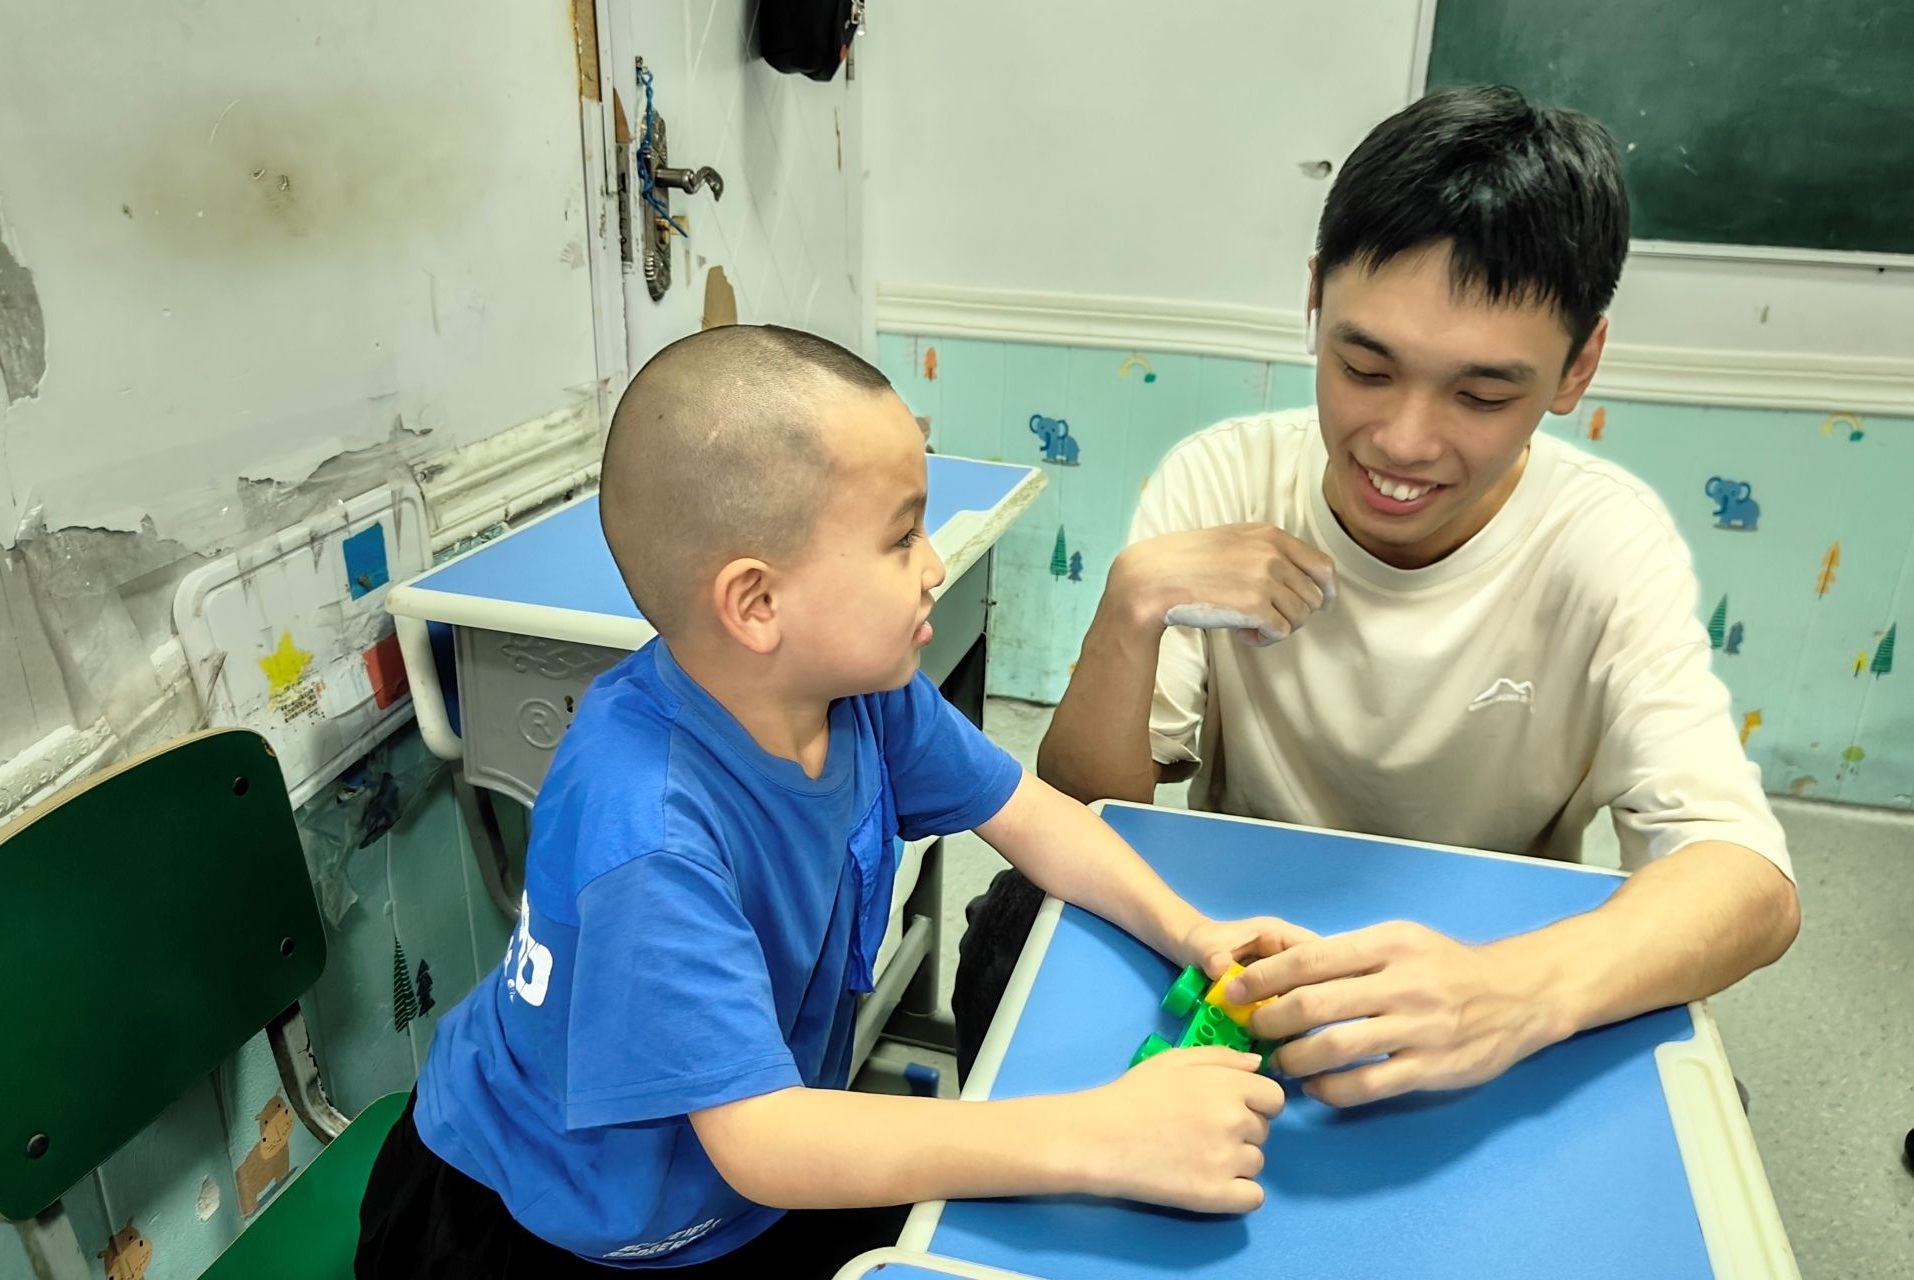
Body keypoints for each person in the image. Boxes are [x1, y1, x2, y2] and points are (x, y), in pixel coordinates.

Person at [354, 324, 1293, 1278]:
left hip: (733, 1182)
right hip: (545, 1229)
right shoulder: (651, 833)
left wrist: (1191, 930)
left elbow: (1029, 812)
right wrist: (1099, 1135)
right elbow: (764, 1139)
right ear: (757, 603)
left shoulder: (856, 693)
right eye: (902, 536)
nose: (935, 565)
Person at [955, 85, 1801, 1105]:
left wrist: (1511, 991)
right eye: (1364, 366)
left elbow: (1747, 879)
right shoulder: (1224, 477)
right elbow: (1092, 813)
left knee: (1699, 1104)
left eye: (1481, 395)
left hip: (1481, 950)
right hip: (1243, 930)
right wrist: (1131, 605)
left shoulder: (1605, 543)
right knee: (1012, 920)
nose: (1403, 441)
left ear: (1578, 367)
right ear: (1314, 301)